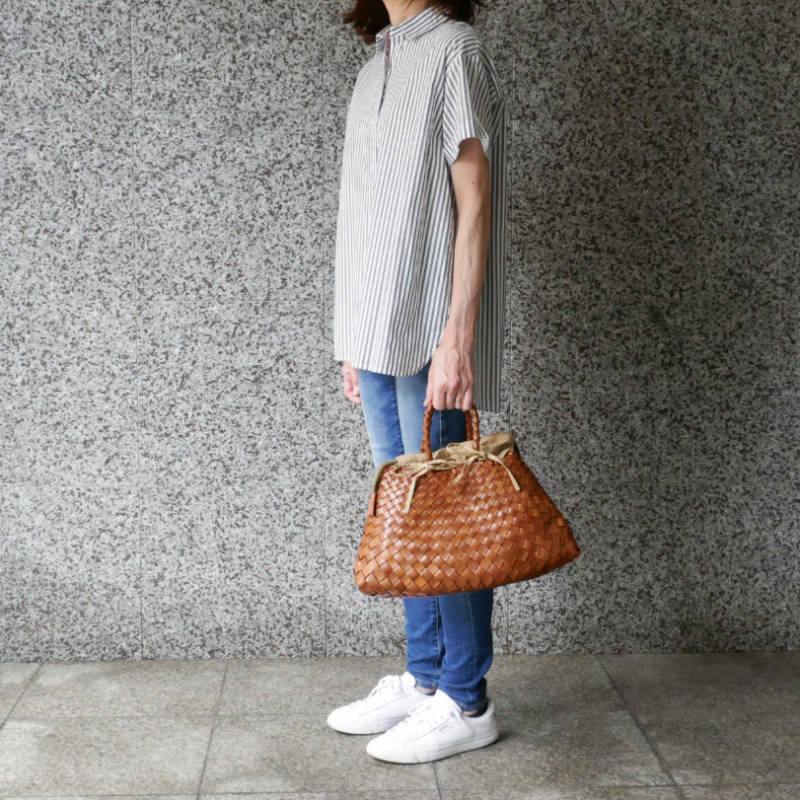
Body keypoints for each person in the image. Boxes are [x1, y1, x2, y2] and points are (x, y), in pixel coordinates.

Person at [327, 0, 508, 764]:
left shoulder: (454, 51)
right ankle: (425, 677)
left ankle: (466, 701)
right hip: (376, 336)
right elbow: (362, 213)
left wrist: (458, 337)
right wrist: (353, 339)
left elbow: (475, 201)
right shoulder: (375, 68)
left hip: (431, 335)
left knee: (445, 516)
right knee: (407, 518)